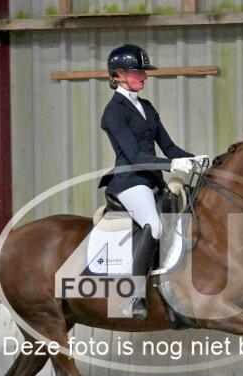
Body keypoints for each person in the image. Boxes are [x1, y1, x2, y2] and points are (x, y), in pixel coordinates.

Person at [98, 43, 208, 319]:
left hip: (152, 180)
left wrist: (195, 160)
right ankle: (133, 295)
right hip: (130, 181)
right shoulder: (113, 112)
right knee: (155, 225)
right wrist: (172, 165)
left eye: (144, 71)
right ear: (119, 74)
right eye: (138, 72)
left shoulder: (146, 107)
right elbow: (135, 156)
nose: (144, 76)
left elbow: (169, 147)